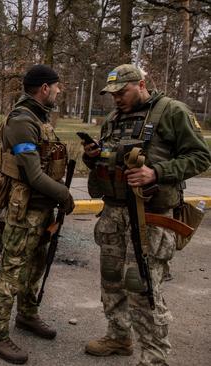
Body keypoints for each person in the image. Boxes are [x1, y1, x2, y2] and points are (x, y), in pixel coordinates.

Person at [82, 64, 211, 365]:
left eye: (122, 92)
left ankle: (154, 356)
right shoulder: (113, 119)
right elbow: (109, 159)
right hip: (113, 213)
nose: (116, 99)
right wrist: (93, 157)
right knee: (111, 279)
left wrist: (157, 172)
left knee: (142, 286)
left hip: (149, 215)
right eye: (111, 94)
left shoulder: (172, 112)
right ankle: (119, 336)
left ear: (141, 85)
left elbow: (201, 157)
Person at [0, 64, 75, 364]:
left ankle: (27, 315)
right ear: (44, 88)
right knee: (11, 273)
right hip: (26, 211)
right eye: (57, 87)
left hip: (42, 208)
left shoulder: (40, 117)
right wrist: (64, 195)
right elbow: (34, 176)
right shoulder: (22, 120)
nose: (59, 91)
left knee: (35, 266)